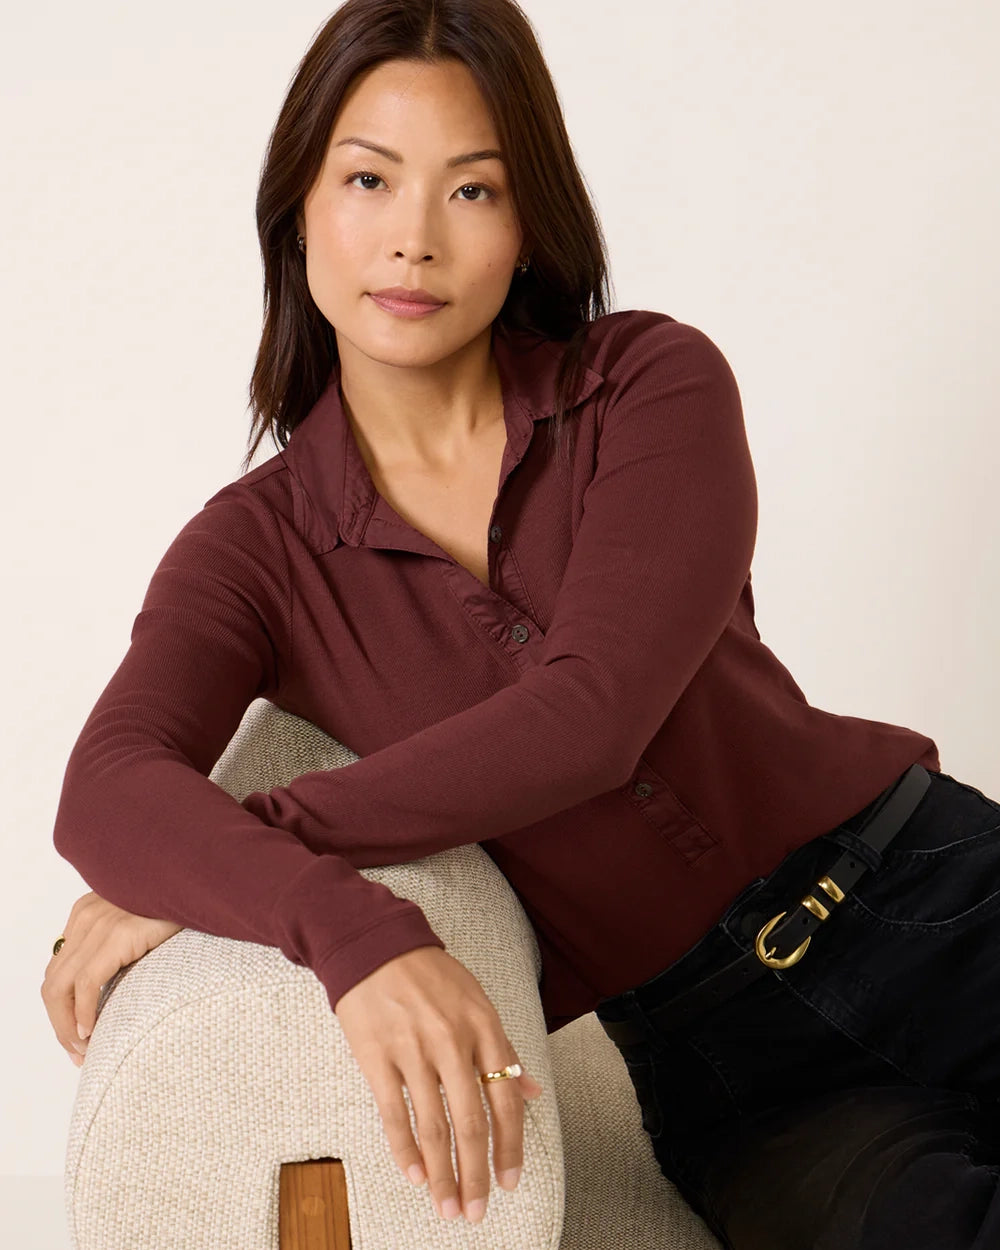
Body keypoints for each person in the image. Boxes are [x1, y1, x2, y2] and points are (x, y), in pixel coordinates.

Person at [39, 1, 1000, 1244]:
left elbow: (592, 716)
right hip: (742, 1081)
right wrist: (345, 924)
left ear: (527, 224)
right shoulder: (253, 550)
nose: (414, 238)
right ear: (297, 212)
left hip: (933, 895)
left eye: (472, 190)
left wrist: (238, 839)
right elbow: (106, 789)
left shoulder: (646, 383)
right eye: (368, 179)